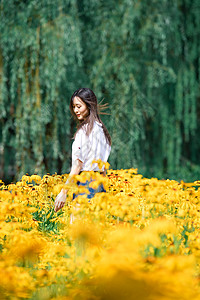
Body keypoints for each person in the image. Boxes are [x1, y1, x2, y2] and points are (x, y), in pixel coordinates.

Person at [54, 88, 111, 212]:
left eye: (79, 106)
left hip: (85, 185)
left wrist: (63, 192)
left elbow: (77, 166)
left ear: (89, 105)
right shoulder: (102, 130)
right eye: (74, 107)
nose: (75, 110)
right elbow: (103, 168)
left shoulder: (84, 132)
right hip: (100, 184)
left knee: (79, 228)